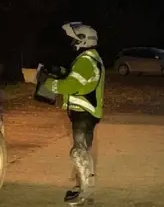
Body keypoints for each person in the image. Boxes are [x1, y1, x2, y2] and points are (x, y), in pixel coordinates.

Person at [40, 22, 105, 204]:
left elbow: (71, 85)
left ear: (82, 41)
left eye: (74, 39)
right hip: (86, 113)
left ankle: (84, 193)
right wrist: (59, 72)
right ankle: (82, 188)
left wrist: (47, 83)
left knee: (79, 153)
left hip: (83, 114)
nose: (71, 43)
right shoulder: (91, 58)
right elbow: (74, 78)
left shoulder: (85, 61)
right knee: (83, 152)